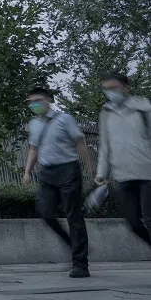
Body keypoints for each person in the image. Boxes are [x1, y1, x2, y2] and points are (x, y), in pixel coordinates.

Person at [22, 86, 94, 278]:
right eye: (31, 102)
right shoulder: (34, 124)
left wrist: (91, 167)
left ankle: (80, 264)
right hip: (46, 173)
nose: (34, 104)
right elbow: (33, 149)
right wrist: (27, 171)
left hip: (68, 170)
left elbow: (80, 142)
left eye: (38, 100)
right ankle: (71, 241)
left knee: (74, 217)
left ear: (48, 100)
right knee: (44, 211)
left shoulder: (65, 119)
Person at [94, 73, 151, 247]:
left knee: (149, 218)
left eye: (114, 88)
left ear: (125, 87)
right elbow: (104, 144)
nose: (110, 92)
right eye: (106, 89)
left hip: (147, 173)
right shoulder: (106, 112)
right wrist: (101, 172)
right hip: (122, 175)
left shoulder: (144, 108)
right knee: (133, 222)